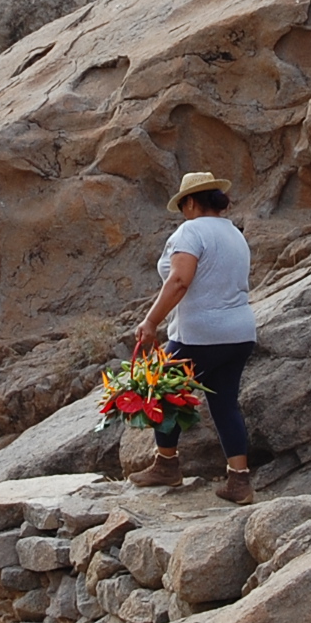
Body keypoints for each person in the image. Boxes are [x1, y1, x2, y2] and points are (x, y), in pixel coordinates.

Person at [130, 171, 259, 504]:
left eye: (182, 206)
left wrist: (151, 321)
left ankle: (167, 464)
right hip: (239, 332)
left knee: (161, 391)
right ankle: (239, 480)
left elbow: (179, 281)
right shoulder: (234, 233)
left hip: (201, 333)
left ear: (190, 202)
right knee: (224, 403)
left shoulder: (191, 231)